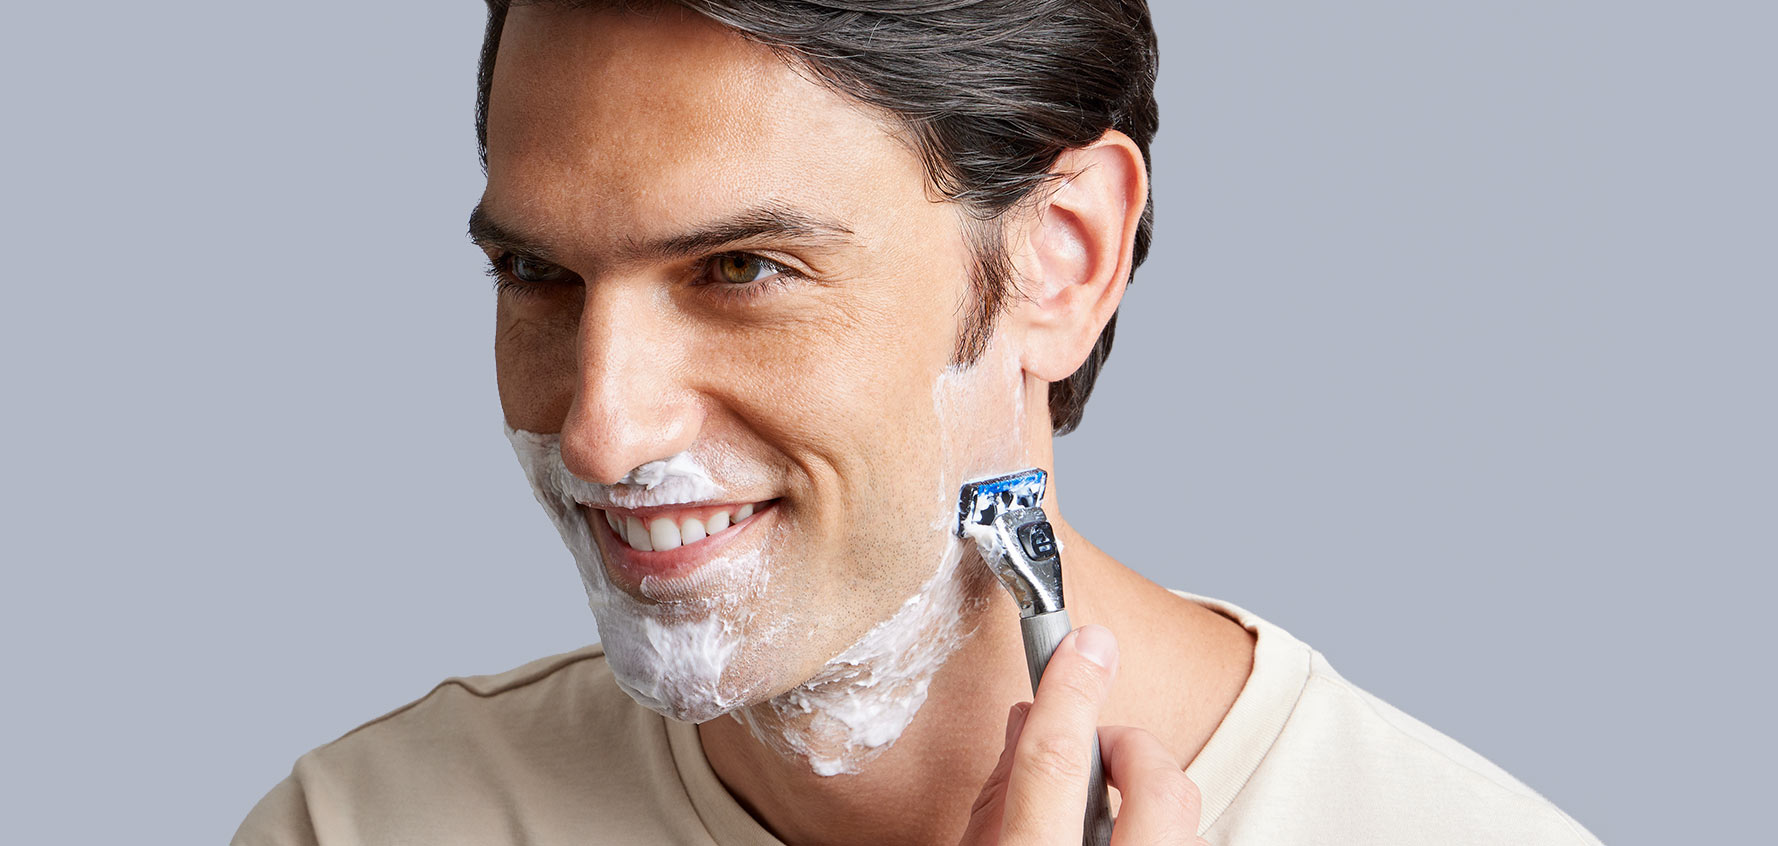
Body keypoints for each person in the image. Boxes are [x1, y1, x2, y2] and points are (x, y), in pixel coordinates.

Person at [234, 2, 1603, 843]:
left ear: (1058, 260)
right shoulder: (362, 826)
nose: (599, 429)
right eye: (538, 274)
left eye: (741, 270)